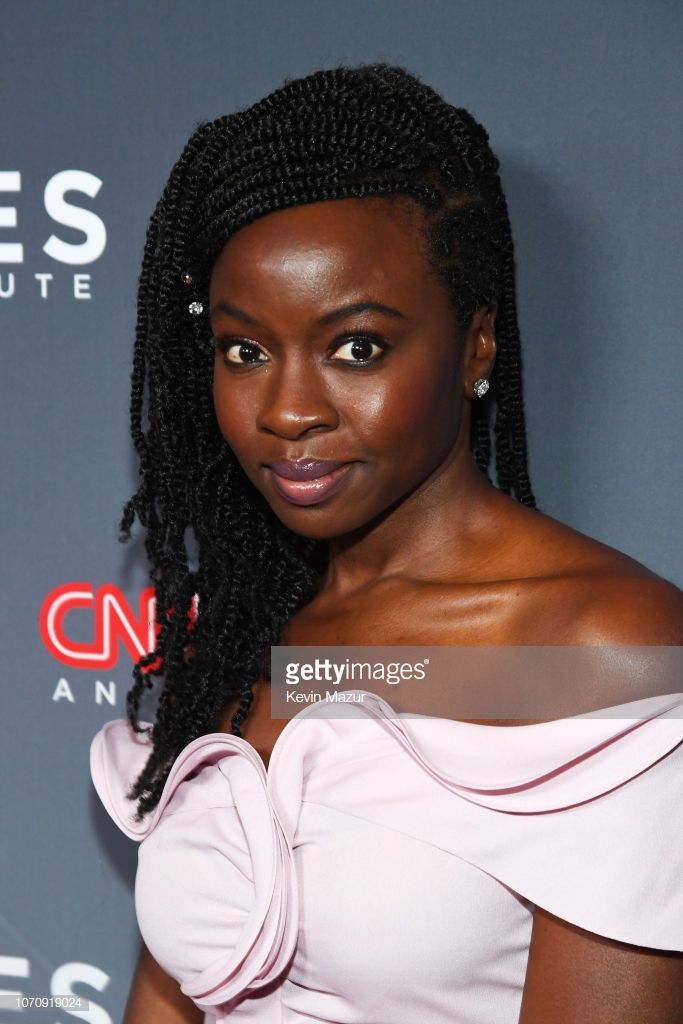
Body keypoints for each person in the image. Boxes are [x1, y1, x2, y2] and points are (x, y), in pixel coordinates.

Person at [90, 63, 683, 1023]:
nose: (285, 410)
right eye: (244, 350)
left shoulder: (602, 650)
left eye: (355, 346)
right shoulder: (260, 634)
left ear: (476, 344)